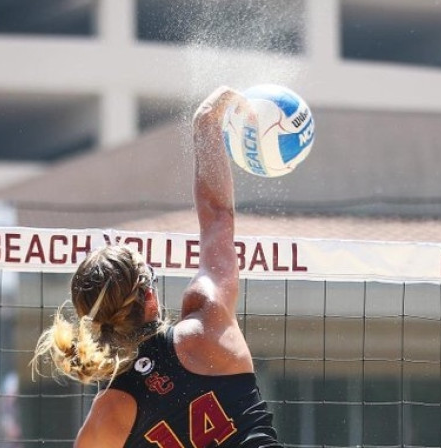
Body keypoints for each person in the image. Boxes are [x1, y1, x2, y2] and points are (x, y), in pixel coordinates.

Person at [32, 86, 282, 448]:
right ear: (149, 295)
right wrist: (207, 122)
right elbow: (217, 218)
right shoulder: (206, 321)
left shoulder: (108, 414)